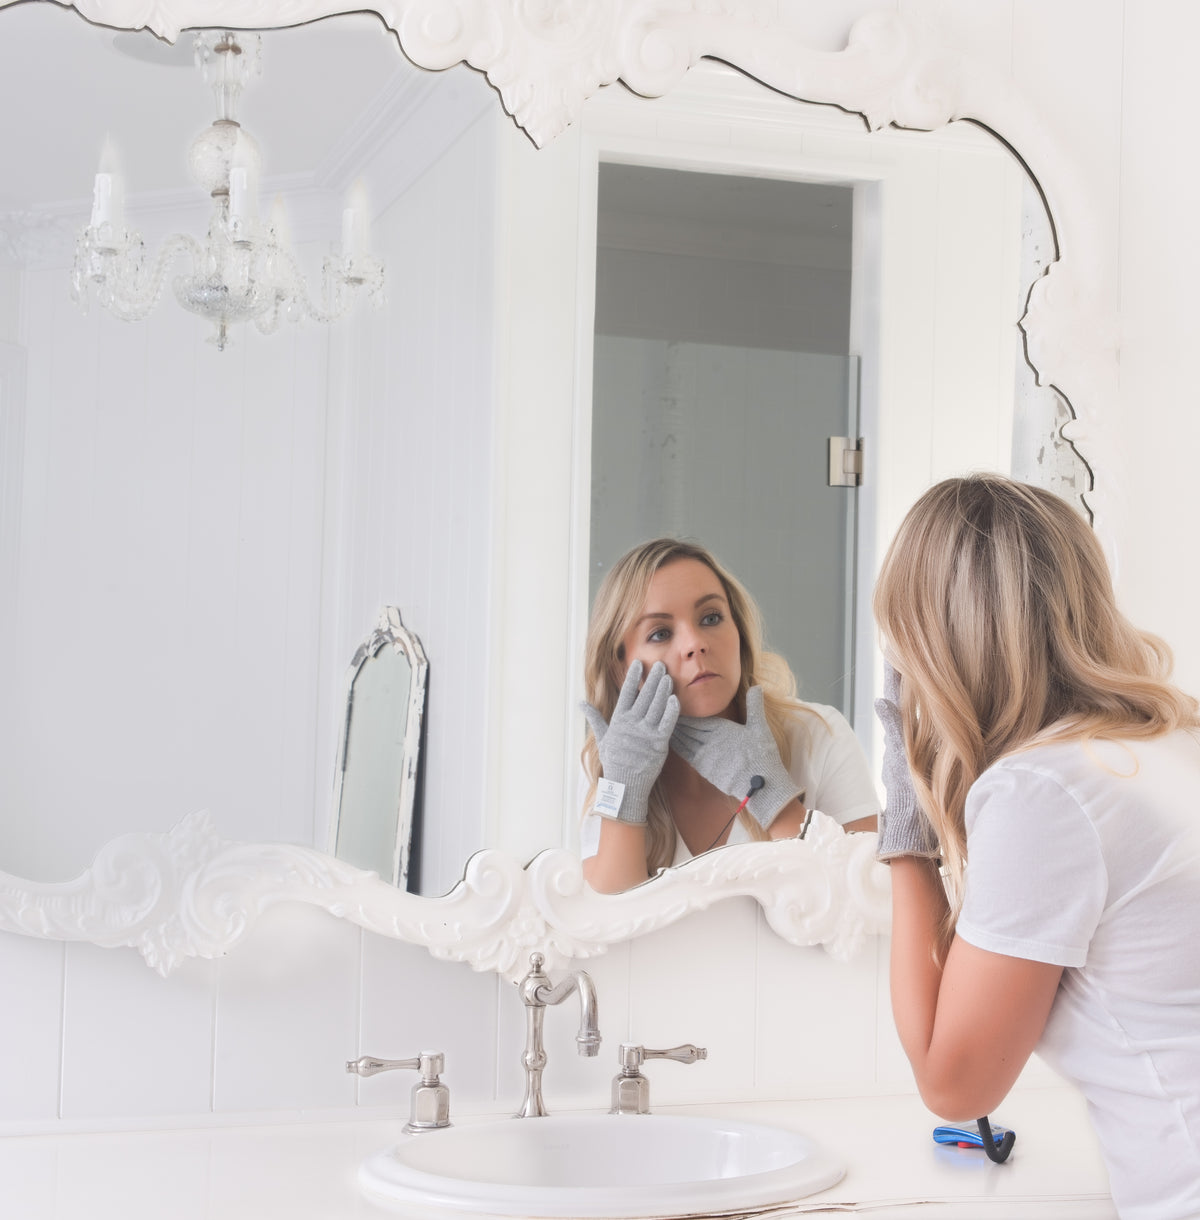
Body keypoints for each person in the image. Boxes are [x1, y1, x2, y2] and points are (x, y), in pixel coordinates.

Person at [872, 474, 1200, 1220]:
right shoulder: (1167, 745)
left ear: (933, 643)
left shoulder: (1045, 793)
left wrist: (906, 826)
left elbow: (954, 1084)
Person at [580, 538, 878, 894]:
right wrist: (626, 789)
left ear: (738, 631)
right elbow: (607, 923)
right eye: (660, 633)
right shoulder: (609, 761)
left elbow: (873, 900)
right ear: (620, 669)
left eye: (711, 618)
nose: (694, 643)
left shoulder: (818, 735)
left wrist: (771, 795)